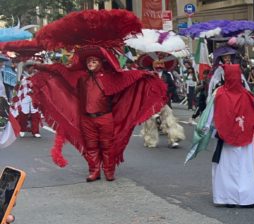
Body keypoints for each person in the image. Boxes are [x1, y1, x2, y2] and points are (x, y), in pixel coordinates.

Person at [30, 9, 167, 182]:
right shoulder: (79, 77)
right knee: (91, 147)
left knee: (107, 146)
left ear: (101, 62)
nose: (91, 63)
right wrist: (39, 66)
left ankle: (109, 171)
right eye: (88, 61)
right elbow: (59, 69)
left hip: (105, 117)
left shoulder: (112, 78)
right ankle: (94, 171)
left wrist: (148, 75)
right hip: (86, 118)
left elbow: (132, 76)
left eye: (94, 61)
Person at [186, 64, 254, 207]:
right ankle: (247, 199)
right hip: (246, 138)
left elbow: (209, 116)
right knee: (245, 168)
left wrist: (203, 131)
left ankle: (228, 198)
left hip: (225, 138)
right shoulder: (247, 95)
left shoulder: (218, 94)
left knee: (226, 168)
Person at [139, 56, 186, 149]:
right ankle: (150, 141)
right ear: (153, 64)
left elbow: (173, 87)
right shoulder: (148, 75)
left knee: (170, 121)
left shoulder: (167, 75)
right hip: (151, 103)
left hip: (164, 102)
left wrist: (166, 91)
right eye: (157, 63)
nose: (159, 66)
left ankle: (174, 139)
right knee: (150, 123)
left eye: (161, 64)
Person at [11, 63, 41, 138]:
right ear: (27, 68)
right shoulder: (22, 77)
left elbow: (40, 85)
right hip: (24, 97)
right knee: (24, 113)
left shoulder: (37, 76)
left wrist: (35, 90)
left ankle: (35, 131)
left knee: (35, 114)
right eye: (31, 68)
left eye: (33, 68)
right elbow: (17, 86)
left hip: (35, 97)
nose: (33, 69)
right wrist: (15, 95)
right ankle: (22, 130)